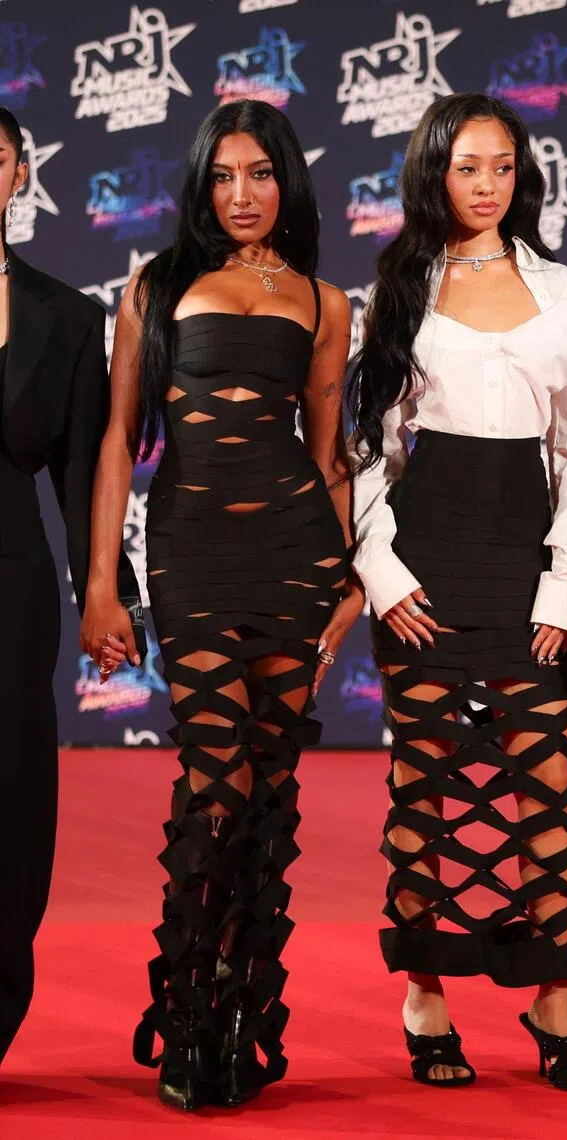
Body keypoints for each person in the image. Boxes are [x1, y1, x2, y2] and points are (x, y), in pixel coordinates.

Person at [81, 99, 354, 1111]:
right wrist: (102, 584)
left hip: (293, 557)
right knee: (219, 781)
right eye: (224, 175)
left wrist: (346, 579)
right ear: (202, 184)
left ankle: (241, 1017)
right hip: (191, 554)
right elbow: (118, 438)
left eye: (260, 173)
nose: (242, 195)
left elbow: (328, 458)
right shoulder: (154, 286)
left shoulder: (328, 302)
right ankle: (187, 1013)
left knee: (268, 798)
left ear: (288, 182)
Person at [344, 93, 567, 1092]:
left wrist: (561, 580)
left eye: (501, 166)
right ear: (432, 175)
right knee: (425, 783)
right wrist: (383, 569)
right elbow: (369, 443)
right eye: (465, 167)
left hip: (524, 557)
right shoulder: (400, 284)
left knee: (544, 786)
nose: (486, 184)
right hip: (426, 559)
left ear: (521, 175)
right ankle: (426, 997)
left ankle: (554, 999)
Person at [0, 105, 142, 1068]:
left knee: (10, 808)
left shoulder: (66, 315)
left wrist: (108, 591)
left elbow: (90, 470)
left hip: (9, 595)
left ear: (17, 175)